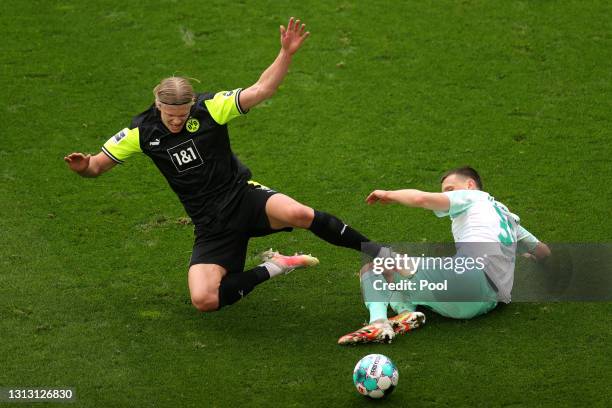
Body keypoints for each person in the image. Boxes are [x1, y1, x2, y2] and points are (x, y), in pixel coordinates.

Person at [64, 18, 382, 313]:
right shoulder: (141, 133)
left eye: (183, 115)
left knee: (300, 214)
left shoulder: (211, 109)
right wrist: (83, 166)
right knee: (204, 300)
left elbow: (262, 89)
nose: (177, 121)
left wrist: (285, 53)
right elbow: (96, 167)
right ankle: (278, 265)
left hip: (244, 198)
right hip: (211, 224)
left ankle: (379, 253)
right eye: (170, 115)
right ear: (158, 105)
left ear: (191, 105)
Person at [338, 166, 551, 344]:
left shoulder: (474, 196)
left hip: (469, 277)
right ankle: (407, 314)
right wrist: (530, 257)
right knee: (404, 278)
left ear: (469, 185)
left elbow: (421, 199)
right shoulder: (509, 217)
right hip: (485, 304)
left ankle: (378, 323)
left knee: (376, 265)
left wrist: (388, 194)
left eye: (450, 189)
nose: (447, 194)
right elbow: (543, 251)